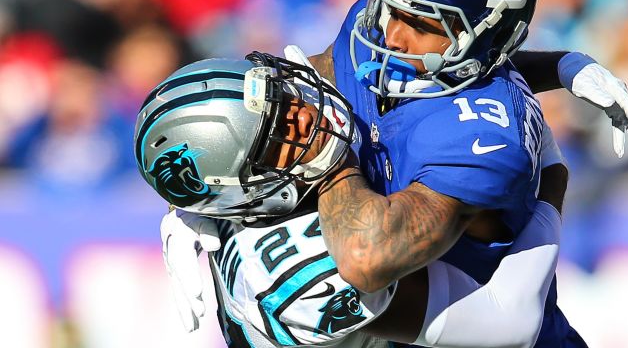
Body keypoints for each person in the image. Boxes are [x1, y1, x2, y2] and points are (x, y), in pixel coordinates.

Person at [299, 0, 628, 347]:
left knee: (301, 289)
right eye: (391, 4)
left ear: (485, 33)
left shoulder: (482, 134)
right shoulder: (382, 25)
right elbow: (320, 75)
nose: (390, 34)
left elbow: (366, 259)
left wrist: (324, 152)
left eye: (419, 20)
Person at [136, 51, 568, 347]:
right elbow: (510, 321)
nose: (306, 114)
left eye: (282, 96)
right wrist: (551, 178)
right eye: (281, 133)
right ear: (248, 191)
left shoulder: (238, 187)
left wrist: (560, 67)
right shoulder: (297, 271)